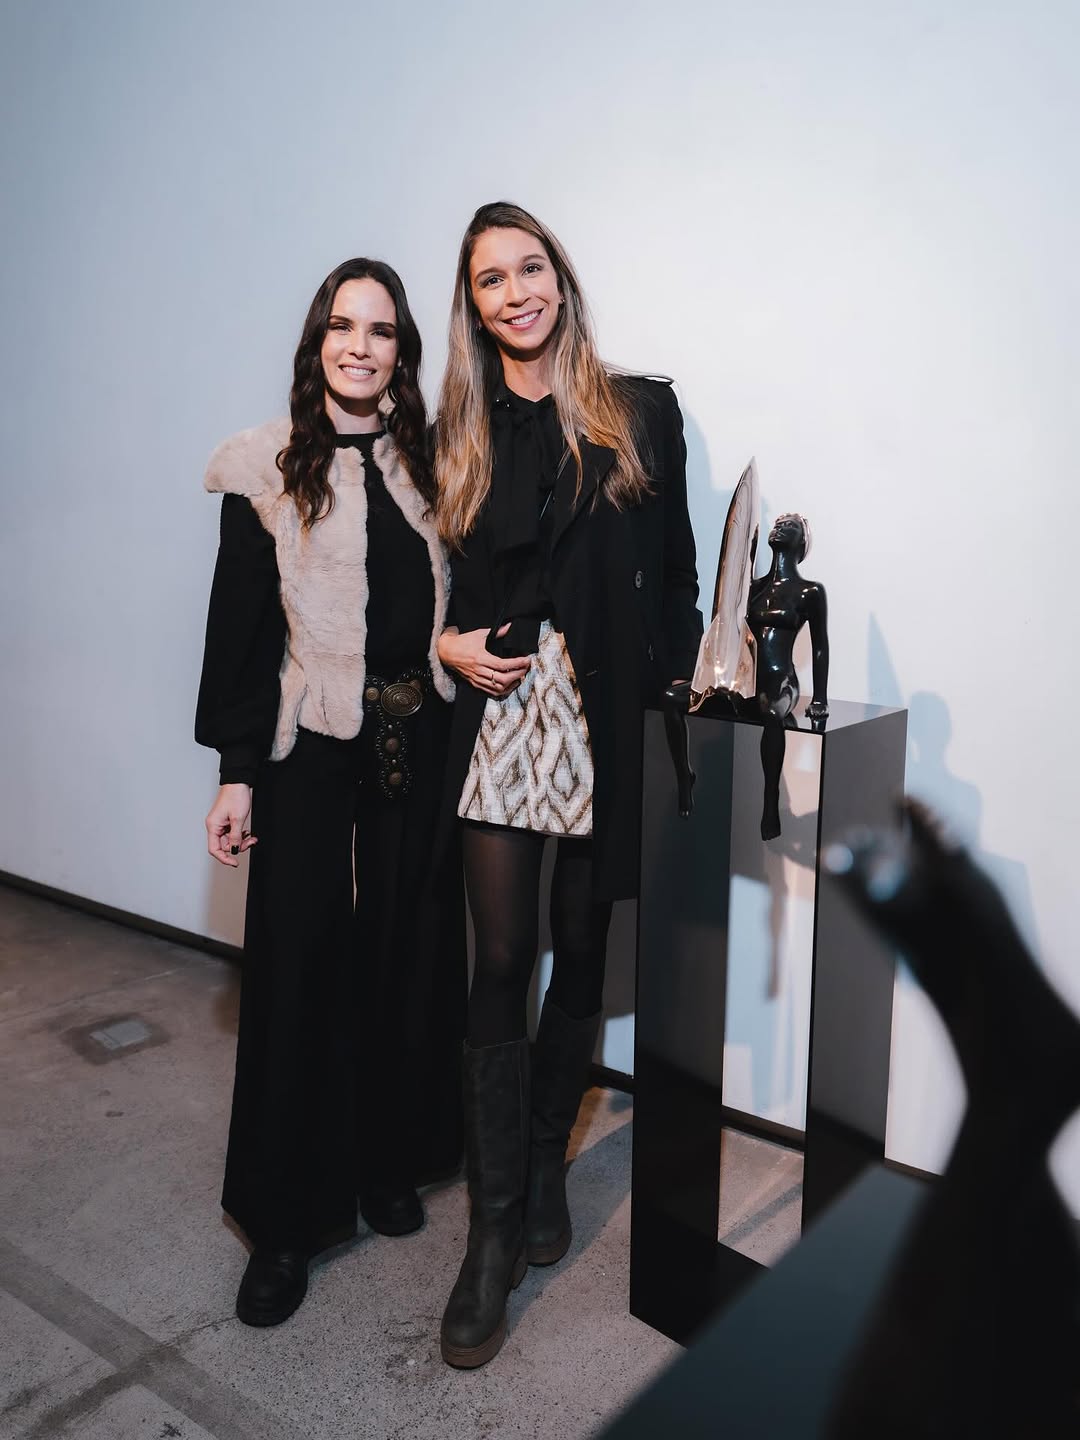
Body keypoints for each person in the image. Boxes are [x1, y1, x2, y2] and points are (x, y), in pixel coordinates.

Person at [434, 201, 702, 1367]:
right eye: (491, 280)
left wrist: (673, 697)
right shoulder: (457, 428)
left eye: (529, 268)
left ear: (561, 277)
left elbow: (679, 574)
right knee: (502, 957)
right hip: (503, 710)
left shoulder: (638, 411)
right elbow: (428, 586)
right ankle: (493, 1230)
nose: (517, 293)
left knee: (583, 947)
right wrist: (446, 645)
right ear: (474, 304)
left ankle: (545, 1159)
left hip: (606, 711)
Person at [195, 258, 466, 1327]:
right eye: (343, 327)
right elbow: (240, 632)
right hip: (309, 746)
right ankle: (284, 1224)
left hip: (417, 740)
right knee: (299, 968)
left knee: (406, 953)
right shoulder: (266, 465)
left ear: (402, 352)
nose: (361, 346)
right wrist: (236, 776)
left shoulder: (429, 463)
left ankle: (386, 1161)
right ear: (317, 343)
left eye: (382, 330)